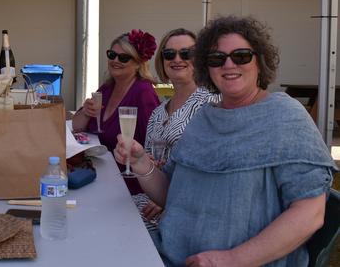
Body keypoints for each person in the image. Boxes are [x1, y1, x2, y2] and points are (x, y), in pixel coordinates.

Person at [114, 16, 336, 266]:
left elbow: (311, 213)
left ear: (260, 62)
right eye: (217, 59)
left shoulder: (286, 116)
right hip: (169, 252)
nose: (228, 64)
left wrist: (232, 259)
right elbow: (172, 196)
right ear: (207, 68)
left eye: (241, 56)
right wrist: (141, 162)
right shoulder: (204, 117)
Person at [136, 28, 218, 236]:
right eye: (169, 54)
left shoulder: (210, 104)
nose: (177, 59)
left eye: (186, 53)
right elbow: (148, 160)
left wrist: (170, 199)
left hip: (186, 210)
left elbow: (212, 169)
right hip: (151, 199)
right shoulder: (158, 112)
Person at [72, 29, 160, 195]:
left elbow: (155, 144)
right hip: (99, 177)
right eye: (112, 55)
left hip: (129, 186)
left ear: (138, 63)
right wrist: (86, 111)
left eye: (124, 57)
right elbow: (76, 126)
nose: (115, 60)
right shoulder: (107, 88)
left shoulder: (143, 92)